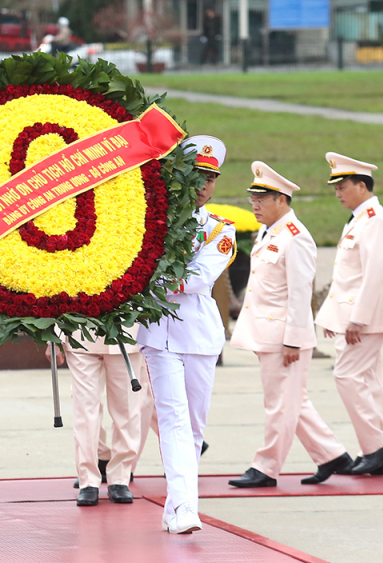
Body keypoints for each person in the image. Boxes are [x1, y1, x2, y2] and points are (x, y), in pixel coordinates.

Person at [229, 161, 351, 489]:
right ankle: (332, 455)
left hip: (284, 336)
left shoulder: (295, 237)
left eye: (262, 199)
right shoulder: (269, 231)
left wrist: (294, 340)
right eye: (252, 199)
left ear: (281, 200)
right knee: (292, 400)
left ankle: (265, 468)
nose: (254, 205)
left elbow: (300, 293)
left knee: (280, 405)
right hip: (268, 332)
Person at [138, 135, 234, 534]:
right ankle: (187, 510)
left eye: (210, 178)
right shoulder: (150, 221)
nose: (203, 186)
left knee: (194, 427)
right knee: (174, 419)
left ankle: (175, 506)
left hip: (199, 334)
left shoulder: (221, 230)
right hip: (159, 334)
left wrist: (152, 279)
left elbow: (198, 279)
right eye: (195, 176)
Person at [315, 152, 383, 475]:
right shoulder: (361, 218)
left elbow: (375, 274)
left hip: (365, 319)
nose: (338, 194)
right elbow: (347, 275)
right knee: (369, 383)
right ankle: (374, 452)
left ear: (361, 186)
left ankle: (377, 448)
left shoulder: (374, 219)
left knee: (346, 376)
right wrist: (335, 316)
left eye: (342, 187)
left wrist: (357, 319)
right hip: (355, 317)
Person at [47, 328, 147, 506]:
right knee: (84, 411)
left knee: (127, 410)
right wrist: (55, 338)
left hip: (125, 333)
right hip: (79, 332)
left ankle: (120, 478)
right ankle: (88, 481)